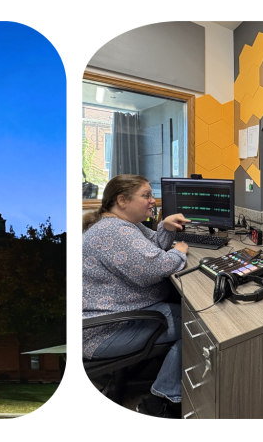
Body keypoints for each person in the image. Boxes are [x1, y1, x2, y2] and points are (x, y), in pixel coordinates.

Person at [81, 174, 192, 419]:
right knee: (198, 326)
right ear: (122, 200)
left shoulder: (121, 224)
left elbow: (150, 244)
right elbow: (156, 267)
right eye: (146, 196)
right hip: (106, 330)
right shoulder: (114, 233)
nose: (152, 201)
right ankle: (158, 402)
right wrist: (180, 250)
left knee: (185, 309)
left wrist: (165, 226)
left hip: (116, 315)